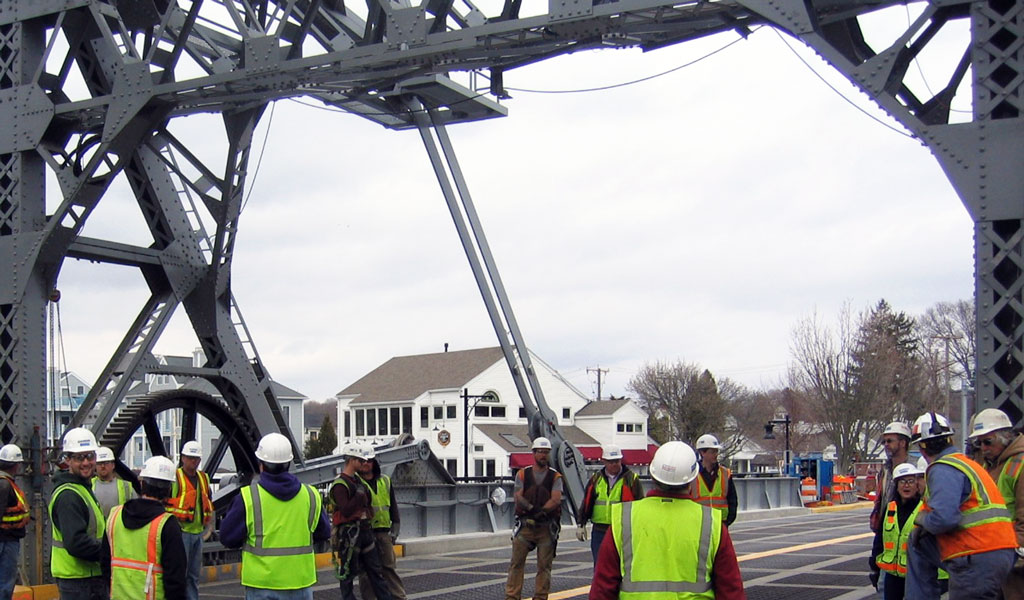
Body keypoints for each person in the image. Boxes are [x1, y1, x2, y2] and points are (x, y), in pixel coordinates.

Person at [589, 441, 745, 600]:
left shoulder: (623, 517)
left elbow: (602, 588)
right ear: (692, 479)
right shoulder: (712, 522)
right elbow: (731, 589)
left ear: (652, 475)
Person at [905, 411, 1017, 600]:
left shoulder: (943, 468)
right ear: (949, 439)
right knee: (918, 542)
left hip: (976, 557)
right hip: (999, 553)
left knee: (917, 539)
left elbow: (944, 519)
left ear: (922, 449)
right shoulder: (968, 465)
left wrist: (921, 518)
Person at [220, 433, 331, 599]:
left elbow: (227, 538)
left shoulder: (249, 498)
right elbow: (323, 533)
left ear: (261, 465)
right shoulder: (311, 496)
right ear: (288, 463)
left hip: (262, 585)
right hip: (300, 584)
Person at [101, 456, 186, 600]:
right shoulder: (166, 525)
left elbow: (104, 563)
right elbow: (175, 579)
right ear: (169, 489)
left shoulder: (114, 516)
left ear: (141, 483)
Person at [967, 407, 1024, 600]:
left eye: (987, 442)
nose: (983, 448)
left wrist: (1015, 556)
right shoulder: (989, 465)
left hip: (1011, 560)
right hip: (993, 557)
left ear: (1005, 437)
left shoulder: (1020, 463)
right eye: (979, 443)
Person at [870, 462, 948, 599]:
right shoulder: (890, 508)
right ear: (897, 485)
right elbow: (879, 540)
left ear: (917, 484)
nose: (906, 485)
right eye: (902, 481)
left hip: (916, 575)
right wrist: (874, 568)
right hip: (892, 577)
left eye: (910, 481)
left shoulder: (924, 509)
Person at [49, 427, 108, 600]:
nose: (86, 463)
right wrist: (109, 553)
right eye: (79, 458)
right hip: (79, 580)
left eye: (90, 456)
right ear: (67, 460)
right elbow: (76, 543)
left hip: (87, 577)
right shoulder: (69, 496)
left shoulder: (82, 489)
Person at [329, 444, 393, 600]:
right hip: (349, 535)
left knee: (376, 573)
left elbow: (367, 503)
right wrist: (358, 496)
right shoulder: (340, 485)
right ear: (352, 460)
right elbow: (345, 510)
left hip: (364, 532)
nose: (364, 463)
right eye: (360, 460)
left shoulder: (357, 481)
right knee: (347, 577)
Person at [505, 436, 562, 600]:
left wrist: (542, 511)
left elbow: (556, 499)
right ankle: (512, 596)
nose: (543, 455)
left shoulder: (555, 476)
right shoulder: (523, 474)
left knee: (544, 567)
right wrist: (531, 509)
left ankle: (540, 597)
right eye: (540, 452)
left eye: (546, 452)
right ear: (534, 453)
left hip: (546, 527)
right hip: (525, 527)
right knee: (516, 564)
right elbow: (518, 495)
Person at [577, 444, 644, 564]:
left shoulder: (631, 480)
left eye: (616, 461)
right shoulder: (596, 479)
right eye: (610, 461)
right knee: (600, 565)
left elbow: (640, 505)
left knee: (622, 566)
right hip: (599, 530)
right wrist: (581, 524)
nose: (614, 464)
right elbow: (587, 502)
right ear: (604, 461)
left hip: (622, 530)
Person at [356, 446, 406, 600]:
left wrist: (394, 534)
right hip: (365, 533)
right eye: (363, 461)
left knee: (388, 569)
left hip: (383, 533)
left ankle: (399, 597)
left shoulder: (385, 480)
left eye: (369, 461)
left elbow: (394, 509)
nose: (366, 464)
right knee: (365, 573)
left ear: (374, 463)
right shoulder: (355, 483)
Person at [166, 440, 212, 600]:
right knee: (181, 573)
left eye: (196, 458)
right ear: (183, 458)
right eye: (190, 457)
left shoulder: (203, 478)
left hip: (198, 533)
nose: (193, 461)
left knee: (193, 575)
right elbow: (166, 503)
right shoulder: (175, 477)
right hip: (181, 533)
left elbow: (208, 500)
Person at [871, 422, 912, 533]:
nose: (886, 445)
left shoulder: (915, 468)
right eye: (884, 442)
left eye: (890, 441)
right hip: (886, 528)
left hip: (908, 527)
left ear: (903, 443)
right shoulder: (885, 470)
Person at [0, 444, 28, 600]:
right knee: (4, 584)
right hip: (5, 541)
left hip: (7, 539)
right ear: (16, 465)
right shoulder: (4, 484)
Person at [692, 434, 738, 527]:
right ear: (702, 453)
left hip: (720, 523)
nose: (716, 454)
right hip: (698, 524)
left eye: (716, 451)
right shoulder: (692, 474)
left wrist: (727, 522)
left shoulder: (725, 473)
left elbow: (732, 500)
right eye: (712, 452)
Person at [92, 447, 136, 520]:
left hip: (118, 530)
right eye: (99, 463)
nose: (103, 466)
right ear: (95, 466)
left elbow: (136, 510)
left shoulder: (126, 487)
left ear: (113, 465)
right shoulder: (89, 485)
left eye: (106, 463)